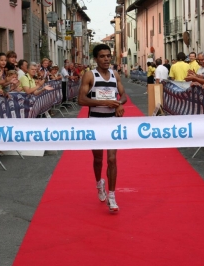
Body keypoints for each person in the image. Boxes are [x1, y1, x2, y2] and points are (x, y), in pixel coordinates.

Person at [78, 44, 127, 212]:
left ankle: (112, 196)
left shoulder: (115, 74)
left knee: (112, 159)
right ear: (96, 59)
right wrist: (104, 102)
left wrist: (119, 103)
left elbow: (124, 94)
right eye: (102, 56)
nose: (106, 59)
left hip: (112, 121)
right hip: (95, 121)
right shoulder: (89, 75)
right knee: (98, 159)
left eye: (108, 56)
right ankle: (99, 183)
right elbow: (81, 100)